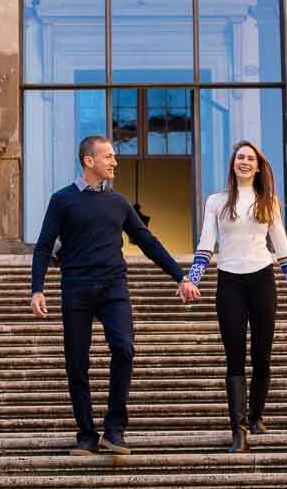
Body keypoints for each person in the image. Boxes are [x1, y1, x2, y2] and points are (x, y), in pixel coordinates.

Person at [30, 135, 199, 457]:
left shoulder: (119, 203)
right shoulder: (62, 200)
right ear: (88, 161)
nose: (115, 162)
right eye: (108, 156)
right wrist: (38, 288)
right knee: (76, 363)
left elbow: (148, 242)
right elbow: (43, 246)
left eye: (113, 156)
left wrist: (181, 276)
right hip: (76, 287)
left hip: (113, 287)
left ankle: (114, 429)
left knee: (124, 348)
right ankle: (85, 434)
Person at [177, 140, 287, 452]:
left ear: (258, 165)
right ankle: (238, 430)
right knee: (234, 357)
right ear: (233, 163)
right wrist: (191, 279)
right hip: (229, 283)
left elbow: (283, 251)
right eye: (240, 157)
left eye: (250, 158)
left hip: (262, 279)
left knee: (262, 356)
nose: (245, 162)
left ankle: (256, 416)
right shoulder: (216, 201)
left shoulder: (268, 201)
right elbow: (205, 245)